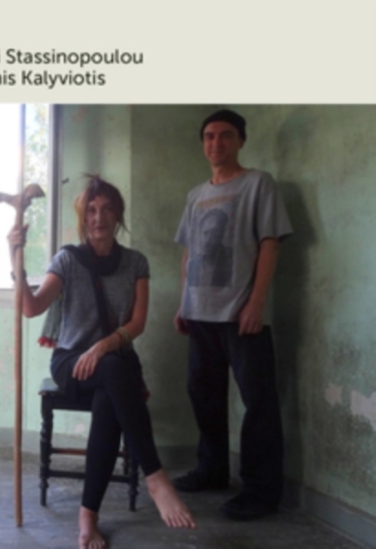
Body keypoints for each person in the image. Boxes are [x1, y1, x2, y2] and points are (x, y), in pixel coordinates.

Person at [9, 175, 196, 549]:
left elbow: (137, 323)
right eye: (91, 210)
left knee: (110, 392)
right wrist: (14, 257)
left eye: (107, 209)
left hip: (115, 363)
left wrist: (102, 347)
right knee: (113, 370)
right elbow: (30, 307)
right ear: (83, 217)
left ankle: (87, 518)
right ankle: (156, 477)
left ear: (118, 215)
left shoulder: (136, 263)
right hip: (70, 363)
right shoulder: (67, 260)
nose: (99, 217)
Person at [172, 110, 293, 521]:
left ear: (240, 141)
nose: (216, 143)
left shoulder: (258, 183)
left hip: (242, 314)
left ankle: (260, 492)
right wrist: (183, 303)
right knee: (202, 395)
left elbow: (270, 242)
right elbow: (189, 252)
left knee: (258, 402)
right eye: (209, 136)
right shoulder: (195, 195)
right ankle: (212, 470)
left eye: (225, 135)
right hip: (199, 314)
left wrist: (256, 303)